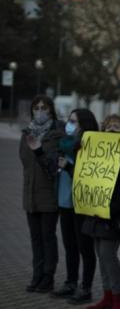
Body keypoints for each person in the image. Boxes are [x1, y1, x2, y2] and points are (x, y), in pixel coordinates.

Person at [82, 115, 120, 309]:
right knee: (100, 254)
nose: (111, 130)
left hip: (111, 213)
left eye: (116, 127)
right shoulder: (96, 148)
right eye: (108, 126)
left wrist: (109, 208)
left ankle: (119, 299)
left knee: (108, 255)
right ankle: (107, 296)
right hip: (95, 210)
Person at [54, 108, 100, 305]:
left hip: (82, 204)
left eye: (74, 121)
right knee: (70, 245)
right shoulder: (64, 144)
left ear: (84, 125)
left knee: (85, 248)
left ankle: (86, 288)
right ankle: (71, 282)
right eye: (69, 120)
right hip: (65, 201)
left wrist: (69, 167)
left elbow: (89, 176)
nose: (69, 124)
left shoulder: (91, 146)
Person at [20, 95, 63, 293]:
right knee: (35, 238)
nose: (39, 111)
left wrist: (40, 151)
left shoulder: (57, 133)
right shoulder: (26, 132)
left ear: (50, 110)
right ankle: (37, 275)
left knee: (48, 237)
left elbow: (53, 166)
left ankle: (48, 277)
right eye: (36, 107)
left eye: (43, 107)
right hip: (30, 193)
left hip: (49, 194)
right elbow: (25, 162)